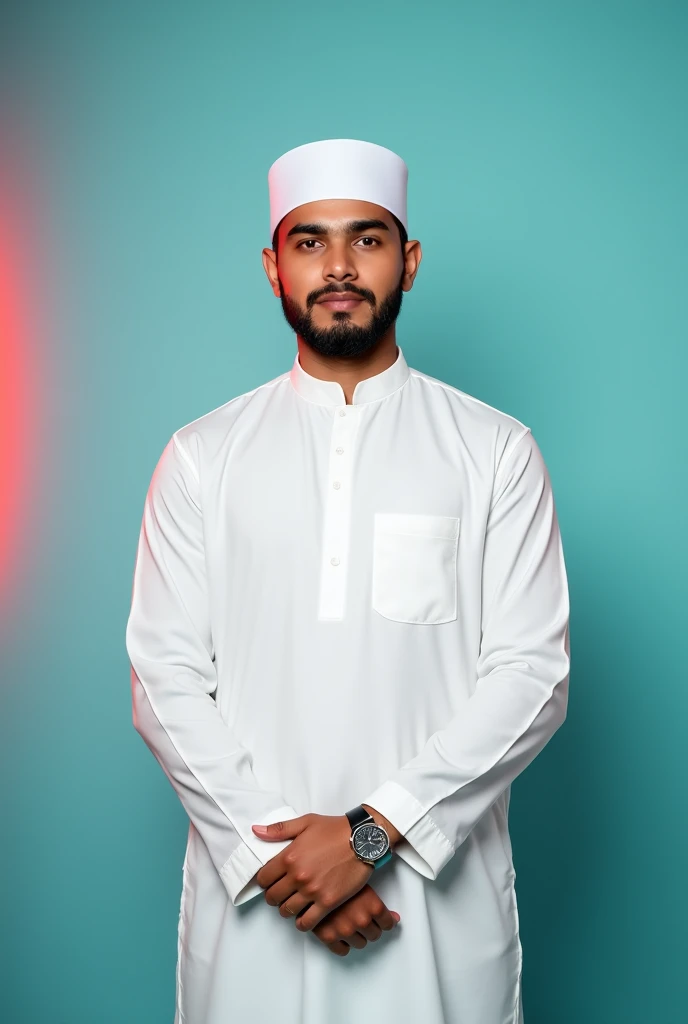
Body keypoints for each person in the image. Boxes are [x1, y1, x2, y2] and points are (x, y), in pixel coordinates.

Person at [125, 138, 571, 1024]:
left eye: (366, 240)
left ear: (407, 260)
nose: (336, 267)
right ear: (272, 267)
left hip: (433, 917)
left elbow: (531, 677)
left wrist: (370, 835)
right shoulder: (202, 457)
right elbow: (163, 679)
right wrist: (288, 870)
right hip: (256, 904)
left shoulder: (493, 452)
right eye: (309, 242)